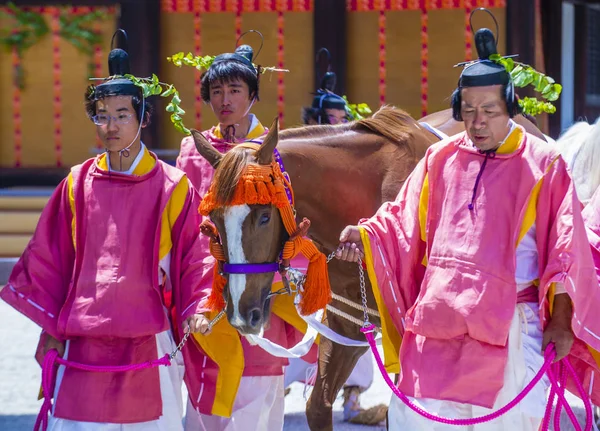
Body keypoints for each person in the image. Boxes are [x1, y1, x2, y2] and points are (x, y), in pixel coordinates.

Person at [336, 27, 600, 430]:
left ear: (510, 107)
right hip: (438, 326)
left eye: (490, 111)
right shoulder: (439, 159)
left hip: (512, 326)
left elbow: (566, 250)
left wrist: (561, 321)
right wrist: (367, 234)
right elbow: (400, 220)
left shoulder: (544, 163)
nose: (478, 122)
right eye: (469, 110)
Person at [0, 30, 212, 430]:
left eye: (121, 115)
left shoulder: (173, 186)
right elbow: (52, 256)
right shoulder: (77, 183)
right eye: (102, 115)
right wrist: (51, 327)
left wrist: (200, 307)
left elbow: (196, 256)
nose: (110, 126)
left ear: (143, 118)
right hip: (85, 341)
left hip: (147, 337)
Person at [175, 42, 308, 431]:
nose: (224, 99)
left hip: (257, 287)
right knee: (203, 405)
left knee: (255, 405)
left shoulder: (274, 152)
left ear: (253, 94)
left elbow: (289, 223)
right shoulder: (192, 150)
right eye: (216, 91)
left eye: (234, 90)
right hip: (204, 292)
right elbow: (185, 225)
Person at [284, 65, 387, 427]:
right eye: (331, 119)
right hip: (300, 267)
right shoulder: (294, 169)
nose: (338, 126)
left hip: (339, 263)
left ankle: (354, 401)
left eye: (343, 120)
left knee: (358, 316)